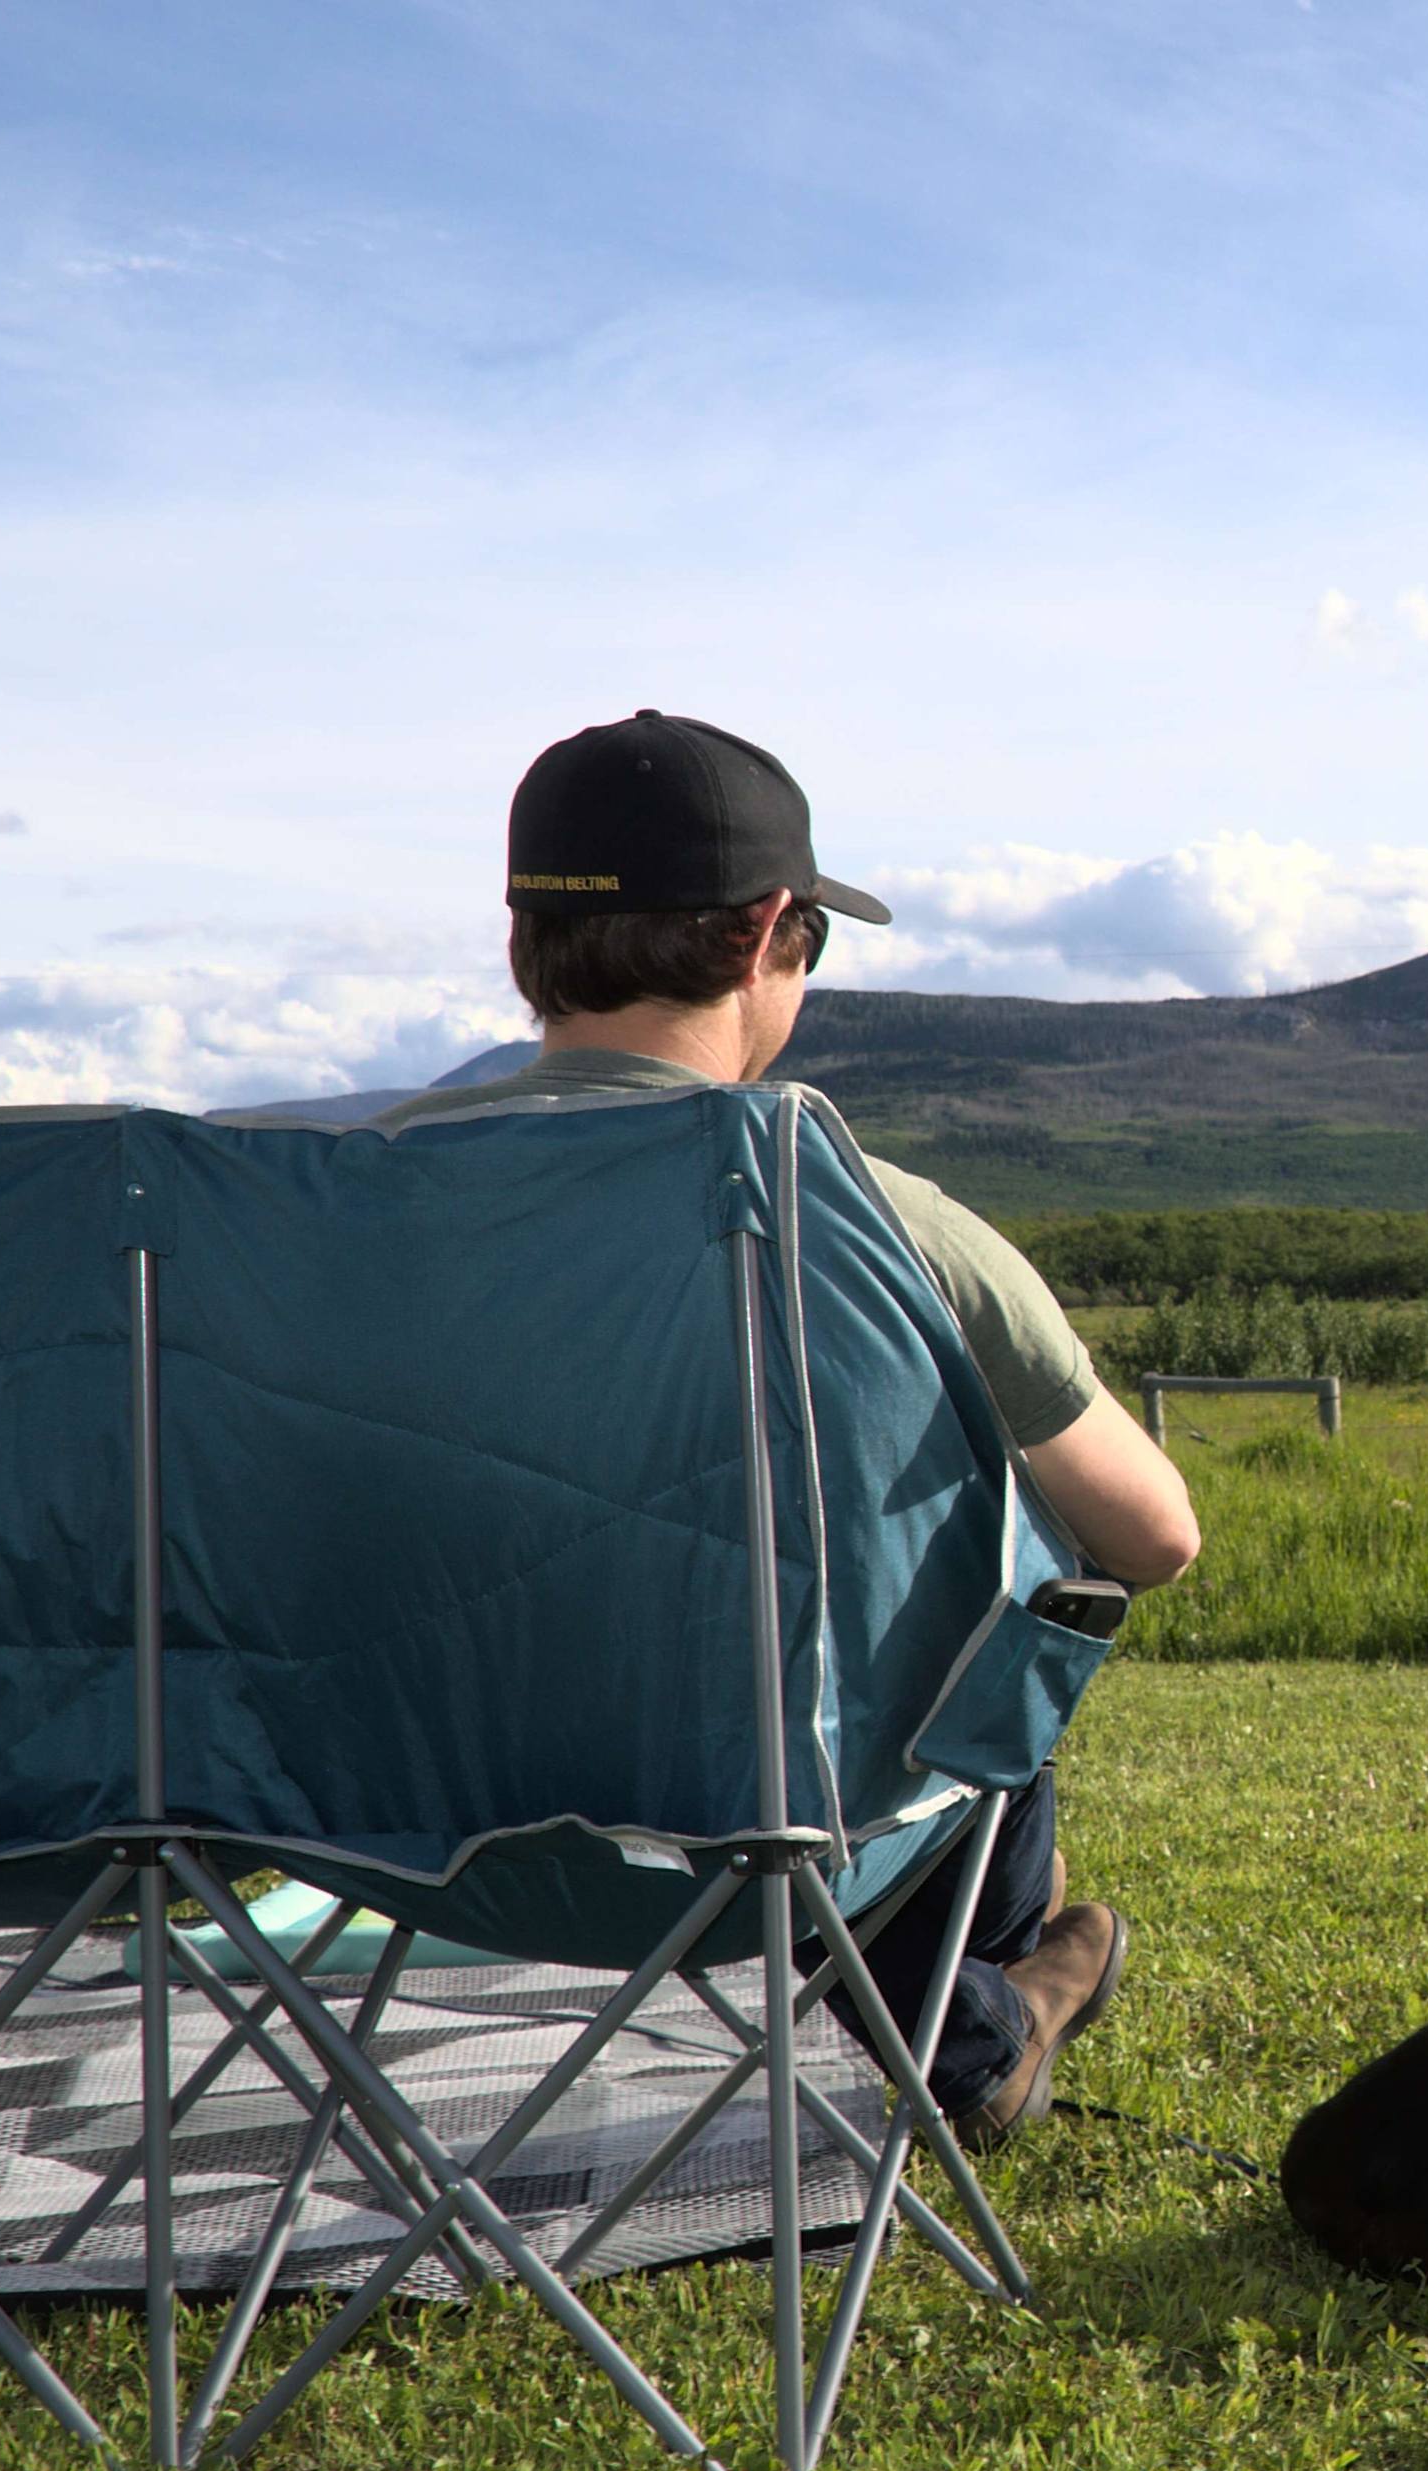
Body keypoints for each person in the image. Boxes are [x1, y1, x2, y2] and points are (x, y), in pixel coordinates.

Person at [385, 709, 1199, 2142]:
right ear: (771, 934)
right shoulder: (880, 1224)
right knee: (999, 1582)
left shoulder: (332, 1216)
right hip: (771, 1842)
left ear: (522, 950)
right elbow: (1154, 1536)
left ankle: (985, 2008)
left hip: (390, 1822)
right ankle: (969, 2027)